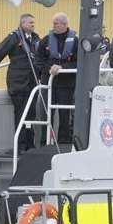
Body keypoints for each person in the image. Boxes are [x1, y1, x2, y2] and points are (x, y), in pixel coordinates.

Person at [0, 14, 41, 153]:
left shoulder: (36, 39)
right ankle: (20, 146)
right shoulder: (14, 37)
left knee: (31, 114)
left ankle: (30, 144)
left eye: (34, 22)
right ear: (23, 23)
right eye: (30, 22)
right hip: (18, 83)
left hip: (32, 83)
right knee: (20, 114)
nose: (33, 25)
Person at [35, 12, 77, 144]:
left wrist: (62, 68)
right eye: (53, 23)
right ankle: (44, 142)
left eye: (56, 23)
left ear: (64, 24)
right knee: (46, 114)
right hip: (48, 83)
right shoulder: (45, 40)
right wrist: (50, 68)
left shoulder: (75, 42)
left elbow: (79, 62)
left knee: (65, 115)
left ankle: (64, 143)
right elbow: (38, 61)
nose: (53, 26)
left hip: (67, 84)